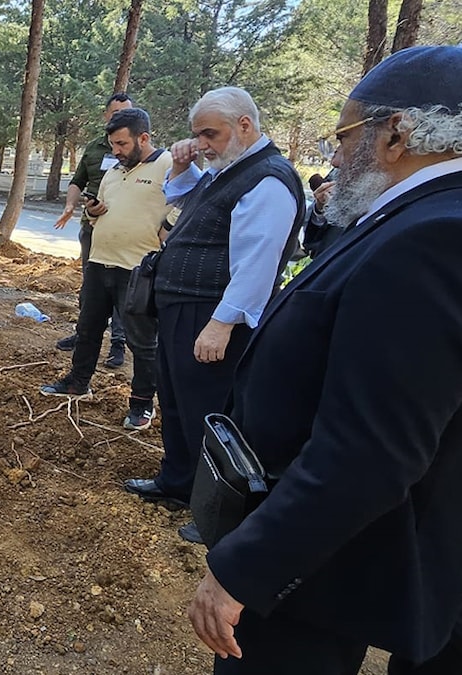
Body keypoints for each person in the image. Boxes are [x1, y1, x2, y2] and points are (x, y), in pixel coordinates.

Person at [187, 45, 462, 674]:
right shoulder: (413, 213)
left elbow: (371, 448)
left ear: (397, 132)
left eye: (343, 134)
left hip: (333, 554)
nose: (334, 155)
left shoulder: (434, 235)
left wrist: (247, 567)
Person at [123, 87, 305, 538]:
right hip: (185, 309)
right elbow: (184, 200)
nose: (201, 143)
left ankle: (217, 513)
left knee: (209, 411)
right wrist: (182, 166)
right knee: (177, 402)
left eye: (210, 134)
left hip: (212, 315)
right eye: (197, 134)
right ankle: (177, 482)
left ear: (244, 125)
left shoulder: (267, 179)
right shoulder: (231, 168)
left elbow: (258, 261)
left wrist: (222, 323)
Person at [40, 108, 171, 430]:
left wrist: (167, 228)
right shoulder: (114, 171)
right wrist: (94, 211)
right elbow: (97, 214)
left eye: (122, 144)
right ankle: (78, 382)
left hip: (138, 268)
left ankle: (142, 404)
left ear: (143, 138)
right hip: (100, 262)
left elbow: (188, 201)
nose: (116, 151)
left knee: (142, 341)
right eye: (113, 144)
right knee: (88, 328)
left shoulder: (167, 165)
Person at [53, 93, 135, 368]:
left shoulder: (139, 150)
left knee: (123, 288)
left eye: (127, 112)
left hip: (126, 234)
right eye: (116, 113)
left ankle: (118, 343)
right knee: (92, 285)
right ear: (106, 116)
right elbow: (78, 181)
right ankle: (84, 334)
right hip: (92, 228)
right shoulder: (94, 148)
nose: (121, 118)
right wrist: (69, 205)